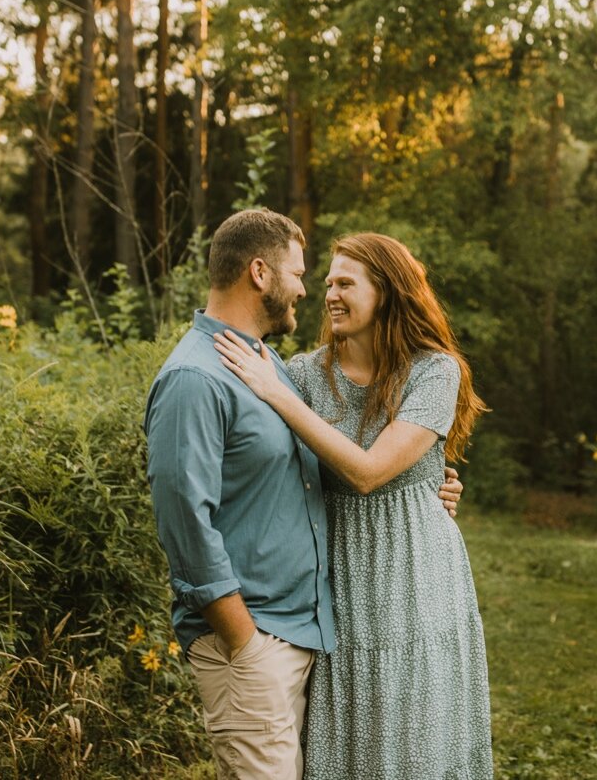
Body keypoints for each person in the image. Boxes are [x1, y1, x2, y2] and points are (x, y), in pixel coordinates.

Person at [143, 209, 462, 780]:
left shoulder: (274, 372)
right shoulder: (247, 373)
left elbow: (327, 470)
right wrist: (244, 642)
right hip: (265, 635)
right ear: (261, 273)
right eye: (307, 275)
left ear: (387, 294)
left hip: (323, 620)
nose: (313, 291)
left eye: (342, 282)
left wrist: (424, 491)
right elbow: (185, 518)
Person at [213, 231, 493, 780]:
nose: (330, 295)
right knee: (351, 733)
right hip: (338, 575)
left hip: (418, 574)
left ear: (386, 291)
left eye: (346, 283)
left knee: (419, 732)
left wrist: (275, 394)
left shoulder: (435, 371)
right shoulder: (300, 375)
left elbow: (368, 472)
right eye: (326, 284)